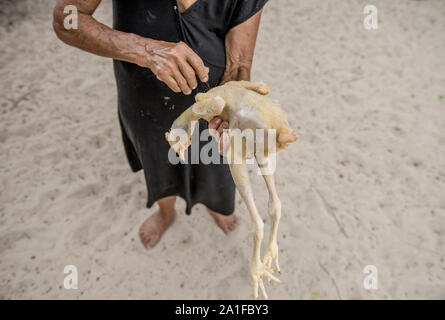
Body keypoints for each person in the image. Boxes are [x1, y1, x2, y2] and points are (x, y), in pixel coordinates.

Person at [53, 0, 268, 249]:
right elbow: (66, 19)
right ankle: (166, 212)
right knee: (157, 160)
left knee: (216, 161)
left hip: (212, 108)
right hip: (143, 98)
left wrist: (234, 105)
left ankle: (217, 207)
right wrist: (146, 51)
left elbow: (239, 63)